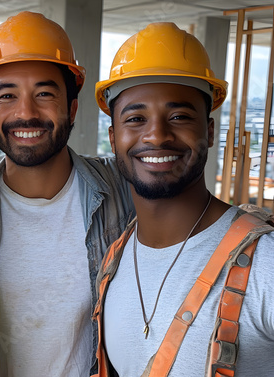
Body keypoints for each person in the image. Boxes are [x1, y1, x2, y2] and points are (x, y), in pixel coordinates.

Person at [92, 22, 274, 377]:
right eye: (136, 118)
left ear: (208, 130)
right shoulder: (114, 262)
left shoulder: (265, 266)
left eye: (179, 116)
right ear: (114, 138)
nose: (157, 134)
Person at [0, 11, 134, 376]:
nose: (25, 113)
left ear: (72, 108)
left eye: (44, 93)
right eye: (7, 95)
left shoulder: (122, 189)